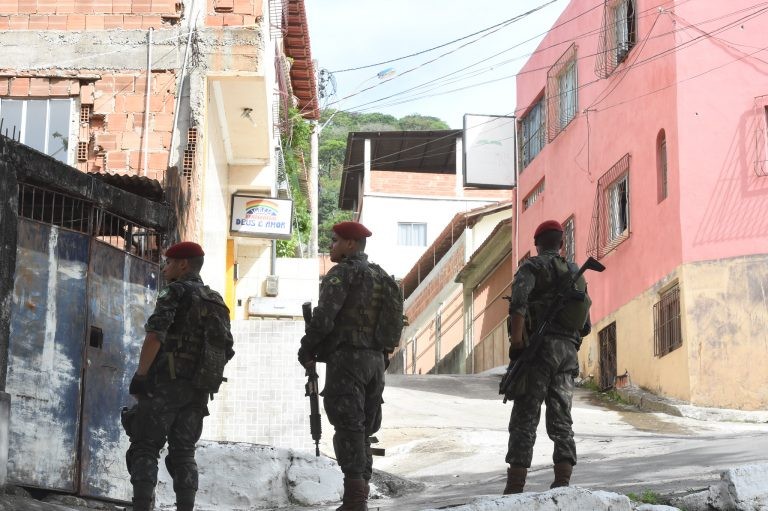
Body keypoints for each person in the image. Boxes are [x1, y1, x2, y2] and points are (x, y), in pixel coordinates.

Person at [297, 221, 397, 511]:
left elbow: (325, 318)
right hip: (376, 361)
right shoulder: (382, 276)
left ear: (351, 244)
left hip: (348, 360)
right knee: (363, 428)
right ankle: (359, 495)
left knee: (349, 426)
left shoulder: (342, 274)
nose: (331, 246)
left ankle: (355, 501)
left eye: (336, 240)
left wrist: (307, 349)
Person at [126, 241, 232, 511]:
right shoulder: (217, 300)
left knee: (145, 447)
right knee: (184, 453)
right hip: (198, 390)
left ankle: (141, 506)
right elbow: (227, 348)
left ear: (183, 264)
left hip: (165, 386)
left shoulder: (174, 292)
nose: (165, 267)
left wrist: (141, 375)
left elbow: (155, 334)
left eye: (169, 262)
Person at [503, 220, 592, 494]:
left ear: (537, 244)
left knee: (525, 418)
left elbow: (518, 305)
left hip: (538, 352)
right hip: (568, 354)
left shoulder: (532, 267)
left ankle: (515, 487)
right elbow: (585, 325)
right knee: (562, 418)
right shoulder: (575, 273)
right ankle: (563, 482)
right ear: (561, 244)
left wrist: (517, 344)